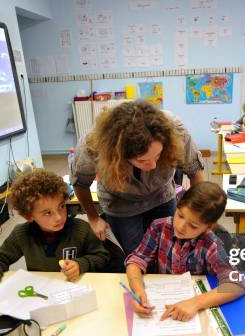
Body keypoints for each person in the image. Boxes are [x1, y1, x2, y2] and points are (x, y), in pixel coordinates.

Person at [0, 170, 109, 312]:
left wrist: (81, 264)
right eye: (47, 213)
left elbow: (102, 256)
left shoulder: (81, 229)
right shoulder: (22, 234)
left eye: (61, 206)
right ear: (29, 216)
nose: (59, 217)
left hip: (76, 298)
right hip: (41, 301)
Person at [70, 101, 205, 253]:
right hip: (121, 203)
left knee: (169, 248)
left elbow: (195, 170)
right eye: (142, 160)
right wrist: (93, 218)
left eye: (158, 155)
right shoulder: (94, 145)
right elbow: (80, 183)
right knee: (134, 253)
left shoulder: (175, 130)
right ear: (119, 155)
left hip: (162, 195)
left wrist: (199, 213)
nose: (153, 166)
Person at [125, 182, 244, 321]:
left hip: (196, 311)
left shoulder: (211, 244)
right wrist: (137, 289)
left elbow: (236, 284)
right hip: (161, 302)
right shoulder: (159, 227)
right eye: (180, 215)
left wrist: (195, 303)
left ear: (208, 227)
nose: (180, 227)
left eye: (193, 225)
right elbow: (136, 260)